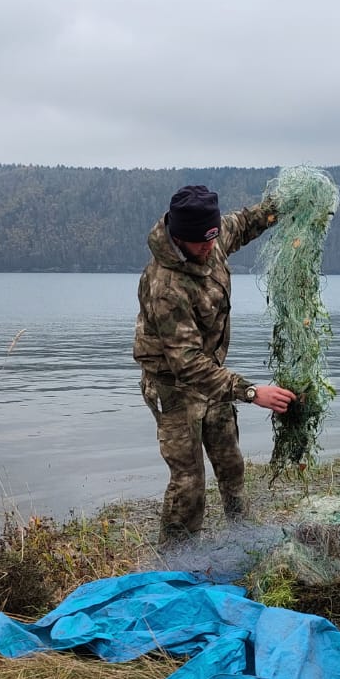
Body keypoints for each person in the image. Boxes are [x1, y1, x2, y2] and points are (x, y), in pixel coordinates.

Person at [134, 184, 295, 543]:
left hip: (212, 375)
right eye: (200, 242)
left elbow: (247, 222)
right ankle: (176, 562)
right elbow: (187, 365)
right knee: (189, 481)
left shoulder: (212, 238)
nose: (209, 247)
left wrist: (282, 205)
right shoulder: (166, 286)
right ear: (178, 237)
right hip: (172, 385)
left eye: (213, 238)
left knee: (231, 464)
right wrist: (252, 392)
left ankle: (242, 539)